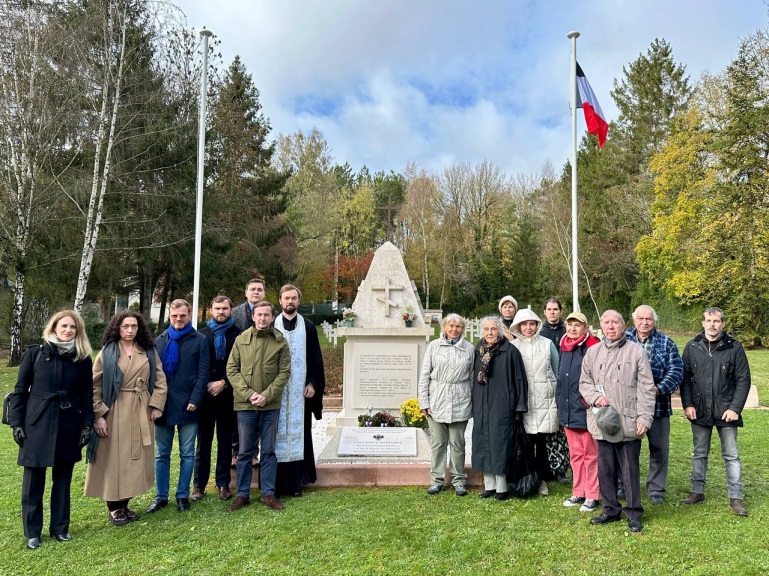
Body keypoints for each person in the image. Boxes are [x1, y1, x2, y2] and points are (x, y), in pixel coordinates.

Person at [8, 310, 94, 550]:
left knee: (63, 480)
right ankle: (32, 532)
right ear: (54, 327)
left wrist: (87, 424)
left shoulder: (82, 358)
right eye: (63, 326)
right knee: (33, 481)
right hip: (37, 421)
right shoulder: (35, 353)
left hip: (68, 423)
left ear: (78, 332)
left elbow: (87, 395)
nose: (67, 330)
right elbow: (19, 390)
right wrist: (16, 423)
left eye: (72, 327)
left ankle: (60, 528)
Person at [84, 311, 167, 526]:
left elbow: (160, 379)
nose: (130, 330)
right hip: (114, 410)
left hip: (140, 409)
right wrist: (99, 414)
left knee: (135, 459)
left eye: (134, 326)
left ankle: (125, 504)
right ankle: (114, 507)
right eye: (125, 326)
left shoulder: (148, 351)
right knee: (113, 459)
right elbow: (94, 385)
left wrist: (156, 405)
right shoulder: (108, 352)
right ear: (117, 328)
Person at [579, 310, 655, 533]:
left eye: (615, 322)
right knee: (606, 469)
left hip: (629, 422)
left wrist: (645, 417)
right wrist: (595, 397)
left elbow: (647, 388)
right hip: (603, 421)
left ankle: (633, 512)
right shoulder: (592, 353)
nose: (610, 326)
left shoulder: (637, 352)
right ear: (601, 326)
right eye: (606, 322)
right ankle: (610, 509)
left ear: (623, 326)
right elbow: (584, 383)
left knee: (630, 470)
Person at [680, 307, 751, 517]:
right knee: (699, 453)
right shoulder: (692, 347)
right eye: (709, 320)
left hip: (726, 410)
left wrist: (735, 408)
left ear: (723, 324)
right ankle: (696, 491)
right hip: (699, 409)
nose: (713, 324)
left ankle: (736, 498)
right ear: (702, 323)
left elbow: (743, 380)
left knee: (731, 455)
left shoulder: (734, 348)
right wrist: (688, 404)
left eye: (717, 321)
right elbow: (685, 379)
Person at [226, 300, 291, 512]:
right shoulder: (241, 339)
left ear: (272, 317)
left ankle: (268, 493)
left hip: (270, 406)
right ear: (253, 317)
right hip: (245, 406)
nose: (262, 318)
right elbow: (232, 370)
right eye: (259, 315)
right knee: (245, 451)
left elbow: (284, 373)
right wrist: (249, 394)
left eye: (266, 315)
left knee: (269, 450)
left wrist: (266, 396)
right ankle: (242, 494)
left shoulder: (280, 342)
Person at [148, 299, 209, 514]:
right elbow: (153, 375)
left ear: (189, 315)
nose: (178, 319)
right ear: (169, 317)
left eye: (183, 315)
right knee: (161, 454)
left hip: (189, 405)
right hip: (163, 405)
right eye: (174, 316)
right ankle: (161, 496)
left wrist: (196, 399)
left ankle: (183, 495)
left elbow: (203, 374)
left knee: (187, 453)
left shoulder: (200, 340)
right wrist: (154, 402)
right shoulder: (160, 341)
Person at [624, 305, 683, 504]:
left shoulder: (667, 343)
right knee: (628, 448)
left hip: (658, 406)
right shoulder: (623, 339)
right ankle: (624, 485)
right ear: (634, 320)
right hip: (629, 406)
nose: (644, 322)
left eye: (648, 319)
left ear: (654, 321)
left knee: (659, 448)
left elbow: (676, 371)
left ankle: (656, 488)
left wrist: (655, 390)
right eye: (640, 318)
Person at [273, 284, 326, 498]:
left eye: (294, 298)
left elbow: (315, 359)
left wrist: (312, 383)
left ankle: (297, 482)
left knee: (298, 434)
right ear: (280, 300)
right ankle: (276, 484)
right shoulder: (272, 325)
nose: (290, 302)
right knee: (274, 435)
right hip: (275, 391)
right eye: (286, 298)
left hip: (299, 393)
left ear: (298, 300)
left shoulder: (308, 327)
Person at [471, 316, 528, 501]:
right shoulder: (477, 351)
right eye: (486, 329)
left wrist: (519, 408)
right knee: (483, 444)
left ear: (500, 331)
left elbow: (520, 380)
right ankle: (489, 486)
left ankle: (501, 488)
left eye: (493, 329)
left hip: (503, 406)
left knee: (500, 444)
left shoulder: (510, 351)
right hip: (482, 405)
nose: (489, 333)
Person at [418, 313, 475, 496]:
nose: (454, 329)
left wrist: (473, 402)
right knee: (438, 443)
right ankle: (436, 480)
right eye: (450, 326)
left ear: (462, 329)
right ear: (444, 327)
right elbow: (424, 376)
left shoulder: (469, 349)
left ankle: (459, 480)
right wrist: (423, 402)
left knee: (458, 444)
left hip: (460, 399)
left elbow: (473, 377)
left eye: (458, 326)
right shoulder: (434, 347)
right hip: (437, 400)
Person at [191, 296, 241, 502]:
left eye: (225, 308)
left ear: (231, 310)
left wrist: (223, 382)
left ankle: (223, 483)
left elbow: (241, 365)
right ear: (211, 310)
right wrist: (208, 384)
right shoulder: (201, 335)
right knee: (203, 442)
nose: (221, 312)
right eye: (217, 308)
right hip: (205, 396)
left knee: (225, 441)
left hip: (228, 395)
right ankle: (199, 485)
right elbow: (195, 366)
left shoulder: (239, 335)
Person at [510, 307, 560, 497]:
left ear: (537, 325)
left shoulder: (547, 344)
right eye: (524, 324)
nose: (528, 328)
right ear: (519, 326)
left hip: (545, 399)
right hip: (525, 401)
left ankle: (542, 480)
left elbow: (556, 370)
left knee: (542, 441)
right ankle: (530, 477)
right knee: (527, 443)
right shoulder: (514, 347)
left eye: (532, 324)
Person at [556, 312, 601, 513]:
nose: (573, 329)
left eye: (577, 325)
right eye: (570, 325)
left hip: (585, 408)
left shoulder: (592, 346)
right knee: (575, 454)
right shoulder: (564, 346)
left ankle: (593, 494)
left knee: (590, 455)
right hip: (567, 409)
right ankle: (579, 490)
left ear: (586, 327)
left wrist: (588, 402)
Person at [230, 277, 266, 467]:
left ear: (264, 293)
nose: (256, 292)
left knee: (259, 417)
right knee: (239, 417)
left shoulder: (269, 312)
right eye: (252, 289)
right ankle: (236, 452)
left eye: (259, 289)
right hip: (240, 370)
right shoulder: (235, 313)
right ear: (246, 293)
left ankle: (254, 452)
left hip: (262, 371)